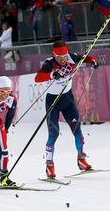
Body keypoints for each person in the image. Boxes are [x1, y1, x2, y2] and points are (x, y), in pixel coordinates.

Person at [34, 40, 99, 179]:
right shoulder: (49, 63)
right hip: (53, 101)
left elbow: (87, 57)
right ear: (54, 55)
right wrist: (52, 75)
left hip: (67, 99)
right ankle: (49, 165)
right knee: (54, 133)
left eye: (64, 56)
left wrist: (93, 61)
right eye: (59, 57)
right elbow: (37, 78)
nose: (62, 59)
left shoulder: (71, 57)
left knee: (77, 130)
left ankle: (81, 159)